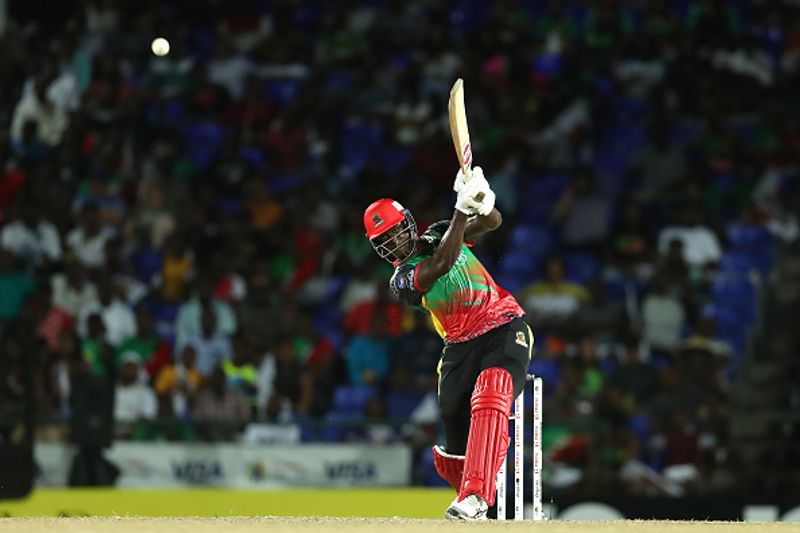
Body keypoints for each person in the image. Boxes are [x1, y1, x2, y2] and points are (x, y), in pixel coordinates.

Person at [362, 167, 533, 520]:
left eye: (395, 231)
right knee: (455, 431)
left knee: (492, 391)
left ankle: (476, 496)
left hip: (503, 325)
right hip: (458, 346)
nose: (394, 242)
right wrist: (460, 208)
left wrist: (482, 202)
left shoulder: (440, 231)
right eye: (384, 240)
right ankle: (476, 506)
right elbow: (442, 262)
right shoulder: (401, 279)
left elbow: (494, 223)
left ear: (408, 223)